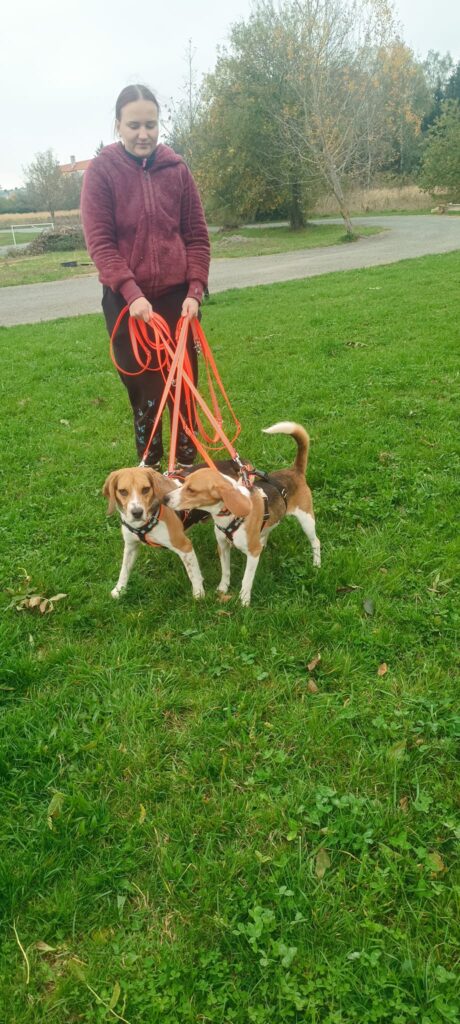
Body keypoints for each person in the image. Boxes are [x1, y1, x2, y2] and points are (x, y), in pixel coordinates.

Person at [81, 83, 210, 468]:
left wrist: (195, 290)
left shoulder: (177, 169)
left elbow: (197, 236)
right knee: (147, 394)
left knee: (185, 392)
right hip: (127, 304)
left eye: (151, 124)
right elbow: (101, 243)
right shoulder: (102, 172)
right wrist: (132, 293)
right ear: (118, 125)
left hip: (178, 300)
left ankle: (187, 480)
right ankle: (150, 478)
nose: (144, 134)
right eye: (134, 124)